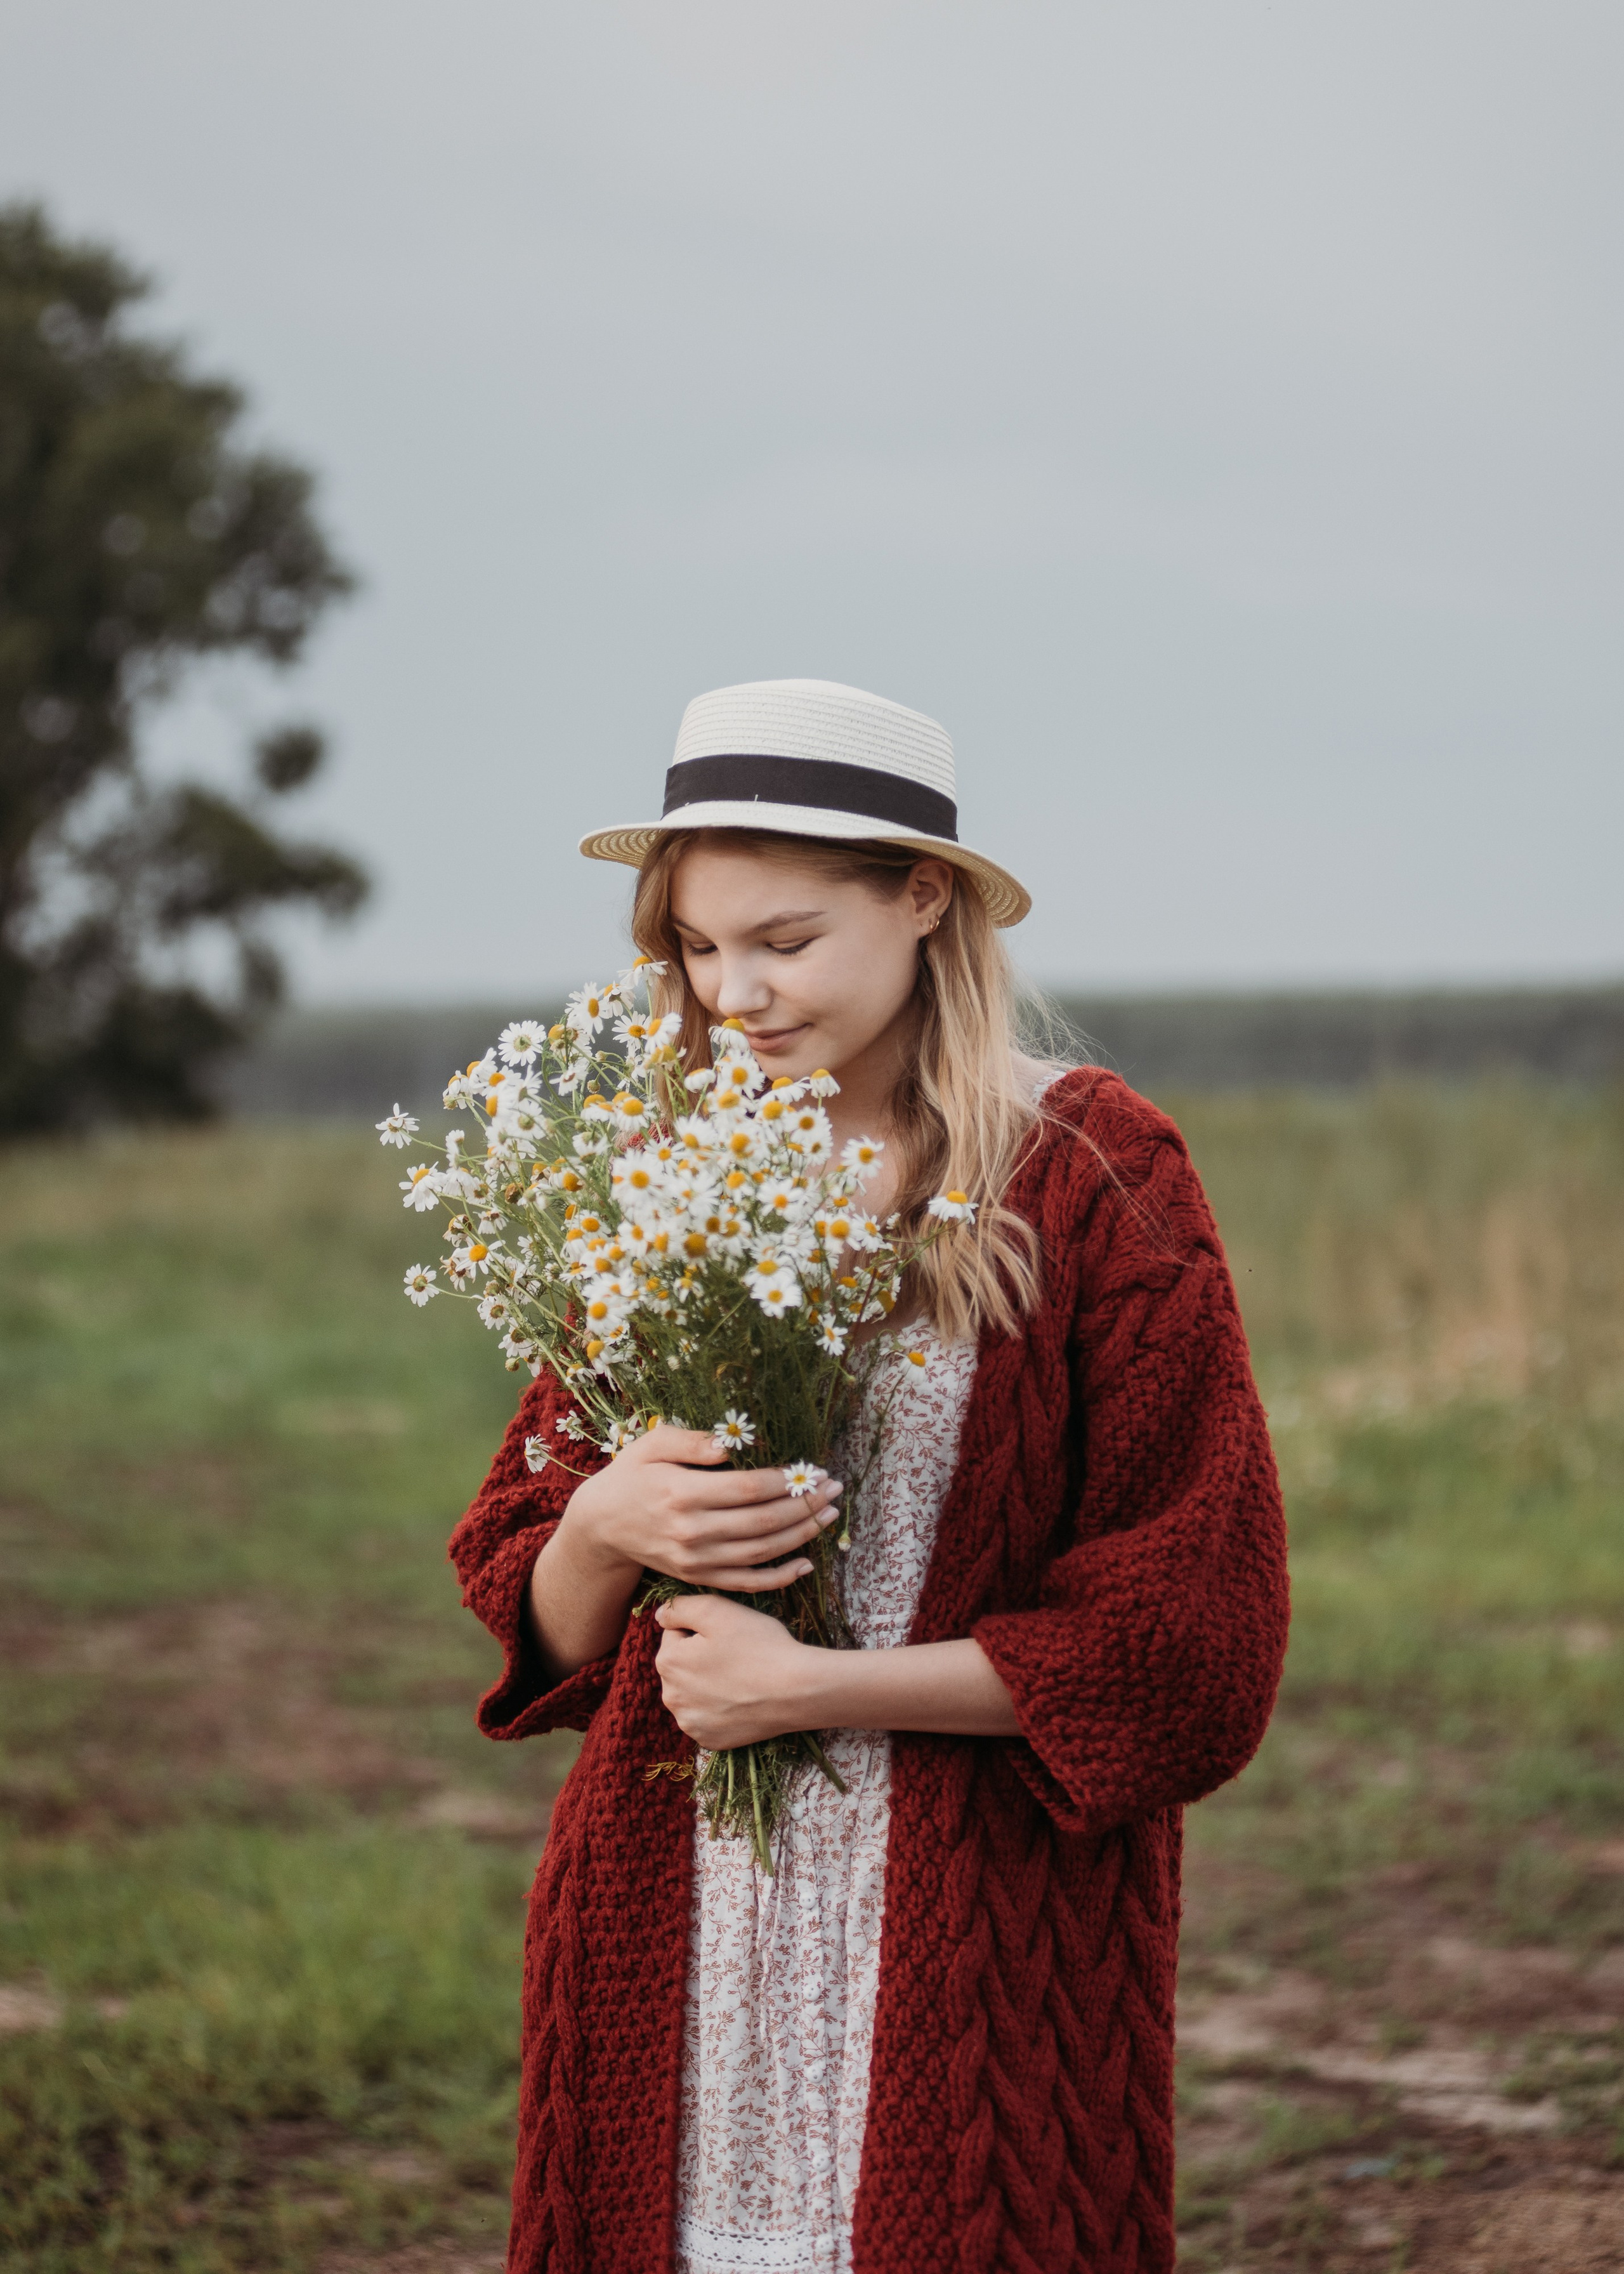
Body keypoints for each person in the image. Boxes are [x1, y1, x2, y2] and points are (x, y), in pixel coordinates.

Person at [449, 678, 1290, 2274]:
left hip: (982, 1966)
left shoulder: (1094, 1174)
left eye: (783, 939)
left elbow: (1189, 1649)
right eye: (697, 947)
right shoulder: (662, 1172)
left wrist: (811, 1688)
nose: (735, 993)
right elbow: (540, 1632)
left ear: (921, 898)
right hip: (666, 1945)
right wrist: (605, 1521)